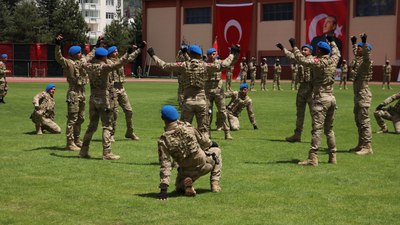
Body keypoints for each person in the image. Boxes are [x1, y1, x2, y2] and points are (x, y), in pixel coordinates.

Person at [148, 44, 240, 137]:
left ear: (189, 53)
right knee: (204, 131)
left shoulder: (184, 65)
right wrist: (232, 53)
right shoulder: (205, 65)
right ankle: (206, 148)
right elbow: (223, 65)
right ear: (200, 55)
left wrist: (153, 55)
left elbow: (164, 66)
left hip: (188, 102)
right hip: (202, 102)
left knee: (184, 131)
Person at [79, 47, 137, 160]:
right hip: (104, 99)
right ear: (104, 57)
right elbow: (118, 64)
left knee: (91, 126)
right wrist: (127, 53)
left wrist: (93, 49)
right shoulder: (104, 67)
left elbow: (83, 60)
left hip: (93, 98)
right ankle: (107, 152)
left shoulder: (89, 66)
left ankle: (83, 151)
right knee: (107, 126)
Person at [291, 37, 340, 166]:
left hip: (321, 98)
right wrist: (333, 42)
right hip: (331, 98)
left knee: (317, 129)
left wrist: (295, 47)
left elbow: (302, 60)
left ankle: (313, 157)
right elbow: (337, 53)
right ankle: (332, 156)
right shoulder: (333, 61)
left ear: (318, 50)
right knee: (329, 129)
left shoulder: (318, 62)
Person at [157, 105, 222, 200]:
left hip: (187, 171)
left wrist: (163, 189)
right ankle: (215, 184)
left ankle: (186, 184)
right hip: (204, 164)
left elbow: (165, 164)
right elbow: (204, 141)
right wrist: (212, 143)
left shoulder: (164, 140)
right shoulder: (187, 127)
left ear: (162, 118)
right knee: (217, 151)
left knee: (179, 188)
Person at [55, 35, 94, 151]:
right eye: (78, 53)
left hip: (82, 92)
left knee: (81, 118)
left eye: (81, 52)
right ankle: (69, 143)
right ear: (73, 54)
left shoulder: (81, 61)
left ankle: (77, 139)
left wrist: (97, 45)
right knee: (72, 119)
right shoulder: (68, 63)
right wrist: (58, 45)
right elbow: (58, 57)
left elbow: (90, 55)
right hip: (73, 92)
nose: (81, 54)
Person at [277, 41, 313, 143]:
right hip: (302, 88)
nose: (302, 51)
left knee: (314, 114)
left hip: (311, 89)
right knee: (299, 113)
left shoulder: (313, 60)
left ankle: (315, 136)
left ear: (310, 52)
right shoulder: (299, 59)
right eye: (302, 49)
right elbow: (290, 55)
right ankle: (297, 135)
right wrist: (283, 48)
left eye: (305, 49)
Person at [107, 44, 144, 142]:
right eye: (114, 51)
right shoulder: (108, 62)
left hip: (121, 88)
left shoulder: (121, 60)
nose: (116, 52)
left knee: (129, 110)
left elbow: (130, 57)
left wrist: (140, 49)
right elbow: (124, 59)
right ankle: (111, 134)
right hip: (112, 88)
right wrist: (128, 52)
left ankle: (130, 132)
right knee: (114, 113)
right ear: (110, 53)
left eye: (116, 51)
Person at [349, 34, 374, 156]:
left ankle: (368, 146)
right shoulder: (359, 60)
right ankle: (361, 144)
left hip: (364, 94)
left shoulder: (366, 62)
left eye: (360, 48)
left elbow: (366, 55)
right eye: (357, 47)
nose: (357, 49)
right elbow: (356, 51)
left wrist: (364, 42)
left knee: (364, 121)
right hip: (357, 94)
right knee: (358, 120)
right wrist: (354, 43)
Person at [205, 48, 232, 140]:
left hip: (218, 90)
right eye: (211, 54)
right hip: (207, 91)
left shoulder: (220, 62)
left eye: (214, 54)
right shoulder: (204, 64)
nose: (213, 56)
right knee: (208, 113)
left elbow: (229, 62)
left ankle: (227, 132)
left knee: (222, 111)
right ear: (208, 55)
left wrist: (232, 54)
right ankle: (207, 134)